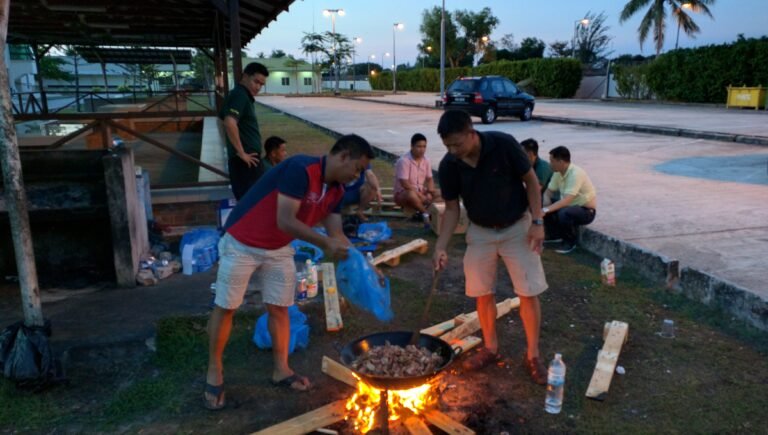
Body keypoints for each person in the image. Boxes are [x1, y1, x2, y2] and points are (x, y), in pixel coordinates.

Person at [203, 134, 375, 410]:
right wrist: (324, 243)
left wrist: (366, 266)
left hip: (278, 247)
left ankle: (281, 369)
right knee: (226, 306)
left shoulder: (336, 192)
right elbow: (285, 220)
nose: (357, 176)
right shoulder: (300, 169)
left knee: (280, 307)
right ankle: (214, 370)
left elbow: (337, 234)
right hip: (242, 241)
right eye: (357, 168)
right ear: (343, 156)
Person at [432, 110, 549, 385]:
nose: (453, 150)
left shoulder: (503, 144)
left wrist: (538, 221)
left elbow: (531, 181)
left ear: (472, 133)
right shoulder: (450, 164)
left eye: (457, 144)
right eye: (447, 145)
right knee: (482, 293)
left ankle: (533, 355)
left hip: (517, 226)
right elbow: (450, 209)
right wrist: (440, 246)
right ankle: (491, 348)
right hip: (480, 231)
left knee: (528, 292)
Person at [220, 62, 269, 200]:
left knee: (254, 203)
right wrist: (241, 153)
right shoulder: (240, 95)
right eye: (256, 82)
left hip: (248, 161)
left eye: (261, 84)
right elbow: (229, 122)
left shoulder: (243, 96)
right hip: (245, 162)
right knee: (251, 204)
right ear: (245, 76)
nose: (258, 87)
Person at [542, 146, 597, 254]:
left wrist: (545, 210)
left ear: (561, 162)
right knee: (543, 204)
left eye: (552, 161)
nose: (550, 164)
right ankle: (554, 236)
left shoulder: (575, 174)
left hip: (586, 211)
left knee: (563, 212)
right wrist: (545, 201)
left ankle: (570, 242)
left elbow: (566, 200)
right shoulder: (558, 173)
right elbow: (548, 192)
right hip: (570, 207)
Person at [394, 133, 441, 220]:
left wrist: (430, 192)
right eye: (419, 146)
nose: (422, 149)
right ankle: (426, 214)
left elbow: (430, 178)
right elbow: (405, 184)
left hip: (421, 192)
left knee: (442, 193)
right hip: (404, 194)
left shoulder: (426, 160)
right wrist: (420, 195)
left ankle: (421, 210)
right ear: (412, 146)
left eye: (424, 146)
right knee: (411, 194)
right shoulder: (404, 161)